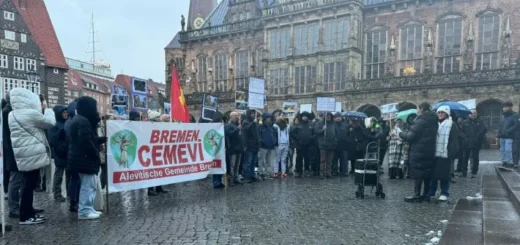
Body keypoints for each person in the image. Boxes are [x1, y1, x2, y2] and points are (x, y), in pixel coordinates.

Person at [9, 88, 55, 224]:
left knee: (26, 184)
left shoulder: (12, 114)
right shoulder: (30, 113)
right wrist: (47, 109)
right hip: (32, 153)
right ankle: (25, 216)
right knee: (28, 186)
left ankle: (28, 212)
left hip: (23, 153)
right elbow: (50, 122)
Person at [68, 96, 106, 220]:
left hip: (79, 158)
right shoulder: (83, 121)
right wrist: (94, 153)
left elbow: (87, 138)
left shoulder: (78, 119)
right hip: (84, 158)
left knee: (89, 185)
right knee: (88, 186)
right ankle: (84, 211)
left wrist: (99, 140)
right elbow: (85, 141)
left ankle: (88, 208)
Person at [399, 102, 438, 203]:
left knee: (418, 173)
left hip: (419, 150)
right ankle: (426, 195)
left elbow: (411, 137)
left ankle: (417, 195)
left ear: (421, 109)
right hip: (430, 149)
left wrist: (400, 134)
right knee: (427, 172)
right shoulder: (433, 119)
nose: (417, 111)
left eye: (418, 109)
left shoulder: (421, 120)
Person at [429, 106, 459, 202]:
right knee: (432, 175)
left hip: (445, 152)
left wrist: (451, 152)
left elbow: (454, 140)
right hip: (434, 152)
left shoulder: (452, 125)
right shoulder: (434, 124)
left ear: (447, 114)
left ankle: (444, 193)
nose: (440, 114)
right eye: (439, 112)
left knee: (444, 175)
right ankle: (431, 192)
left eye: (442, 112)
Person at [47, 105, 69, 202]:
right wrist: (60, 134)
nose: (66, 114)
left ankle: (69, 193)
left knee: (69, 175)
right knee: (59, 174)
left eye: (66, 112)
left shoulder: (67, 123)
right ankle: (57, 193)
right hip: (59, 152)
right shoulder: (55, 125)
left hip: (67, 151)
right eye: (63, 112)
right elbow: (51, 139)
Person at [146, 110, 169, 194]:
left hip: (159, 151)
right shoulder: (148, 126)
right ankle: (150, 189)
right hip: (151, 152)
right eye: (157, 117)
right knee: (151, 171)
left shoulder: (159, 126)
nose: (159, 119)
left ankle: (159, 187)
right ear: (153, 118)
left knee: (159, 170)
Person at [459, 109, 487, 178]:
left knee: (475, 157)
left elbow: (484, 130)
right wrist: (464, 137)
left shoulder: (480, 122)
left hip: (476, 143)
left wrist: (477, 137)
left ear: (477, 114)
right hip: (466, 143)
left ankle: (474, 172)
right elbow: (460, 132)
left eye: (474, 113)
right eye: (471, 113)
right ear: (469, 114)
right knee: (465, 158)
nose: (473, 114)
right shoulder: (465, 122)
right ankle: (464, 172)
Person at [65, 100, 81, 212]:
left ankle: (73, 200)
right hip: (74, 153)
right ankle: (74, 201)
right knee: (75, 179)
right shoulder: (71, 123)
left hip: (71, 153)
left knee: (74, 178)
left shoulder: (68, 123)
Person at [291, 111, 314, 178]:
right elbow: (292, 133)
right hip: (299, 144)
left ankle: (307, 170)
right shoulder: (298, 125)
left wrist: (311, 138)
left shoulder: (310, 125)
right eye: (304, 116)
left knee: (307, 158)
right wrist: (297, 139)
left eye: (306, 116)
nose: (305, 117)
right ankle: (298, 171)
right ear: (301, 117)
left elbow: (314, 133)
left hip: (308, 145)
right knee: (299, 158)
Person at [316, 112, 337, 179]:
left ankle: (328, 173)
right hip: (323, 144)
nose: (328, 117)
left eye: (330, 116)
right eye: (327, 116)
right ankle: (321, 174)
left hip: (331, 144)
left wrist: (335, 140)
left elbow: (336, 133)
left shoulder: (333, 123)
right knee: (323, 160)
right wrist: (323, 129)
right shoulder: (320, 123)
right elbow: (317, 132)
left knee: (329, 161)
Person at [498, 101, 518, 167]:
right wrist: (499, 133)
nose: (504, 108)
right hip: (502, 136)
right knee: (502, 150)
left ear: (510, 107)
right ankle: (504, 161)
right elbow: (501, 125)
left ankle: (509, 162)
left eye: (506, 107)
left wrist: (507, 131)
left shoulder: (514, 115)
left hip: (509, 136)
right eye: (503, 107)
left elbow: (516, 125)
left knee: (508, 150)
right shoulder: (503, 115)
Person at [242, 109, 260, 183]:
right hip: (249, 145)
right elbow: (247, 130)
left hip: (255, 145)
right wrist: (253, 123)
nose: (253, 115)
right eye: (251, 113)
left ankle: (252, 175)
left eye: (253, 113)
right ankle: (247, 176)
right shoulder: (245, 122)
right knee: (248, 162)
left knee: (253, 162)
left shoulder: (255, 123)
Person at [226, 112, 243, 185]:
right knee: (232, 165)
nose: (237, 117)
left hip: (239, 148)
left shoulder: (238, 125)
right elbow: (230, 134)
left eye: (238, 115)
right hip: (232, 148)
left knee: (237, 165)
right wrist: (237, 129)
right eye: (235, 115)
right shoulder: (228, 125)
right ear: (231, 117)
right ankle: (231, 179)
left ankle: (236, 178)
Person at [258, 112, 277, 180]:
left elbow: (274, 135)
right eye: (268, 118)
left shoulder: (271, 127)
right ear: (265, 119)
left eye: (270, 118)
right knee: (261, 160)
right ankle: (261, 173)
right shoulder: (261, 126)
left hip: (270, 146)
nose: (269, 119)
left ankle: (268, 173)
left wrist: (274, 142)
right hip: (263, 147)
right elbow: (259, 136)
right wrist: (261, 141)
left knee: (269, 161)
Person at [273, 112, 290, 177]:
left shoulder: (287, 125)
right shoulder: (275, 125)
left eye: (284, 116)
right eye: (282, 116)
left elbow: (288, 134)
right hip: (279, 143)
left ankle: (283, 171)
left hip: (285, 143)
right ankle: (276, 172)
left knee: (284, 159)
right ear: (279, 116)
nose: (283, 117)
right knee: (277, 159)